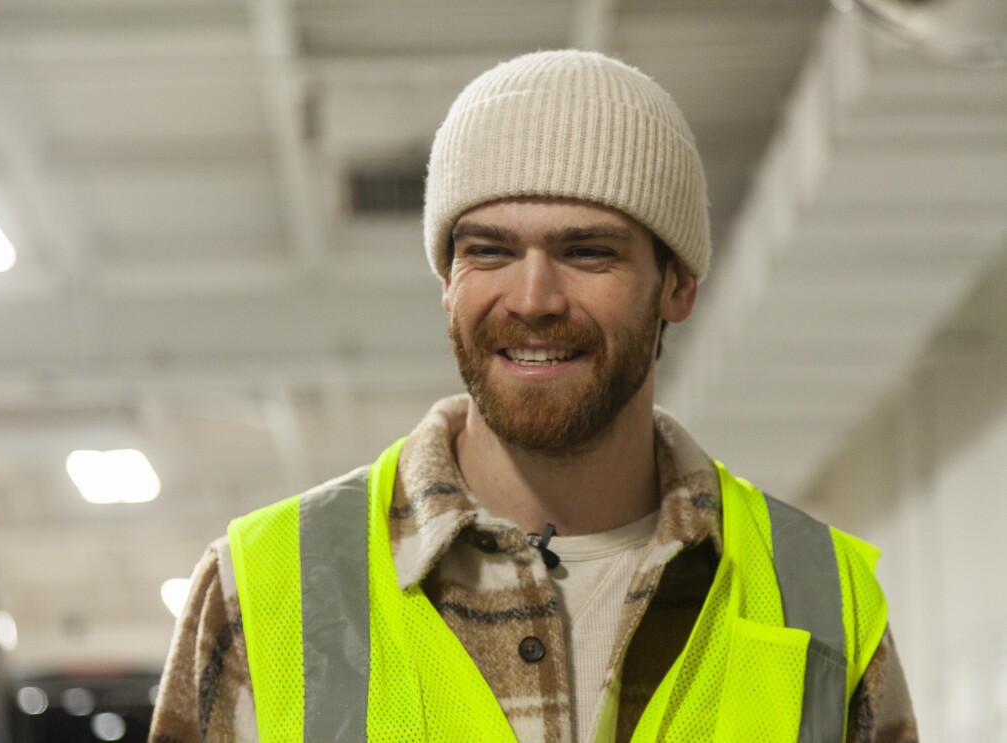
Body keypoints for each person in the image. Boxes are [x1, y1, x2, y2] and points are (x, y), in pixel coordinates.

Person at [149, 50, 917, 742]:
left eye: (587, 251)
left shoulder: (820, 602)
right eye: (488, 250)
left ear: (677, 285)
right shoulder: (263, 592)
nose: (532, 298)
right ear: (447, 283)